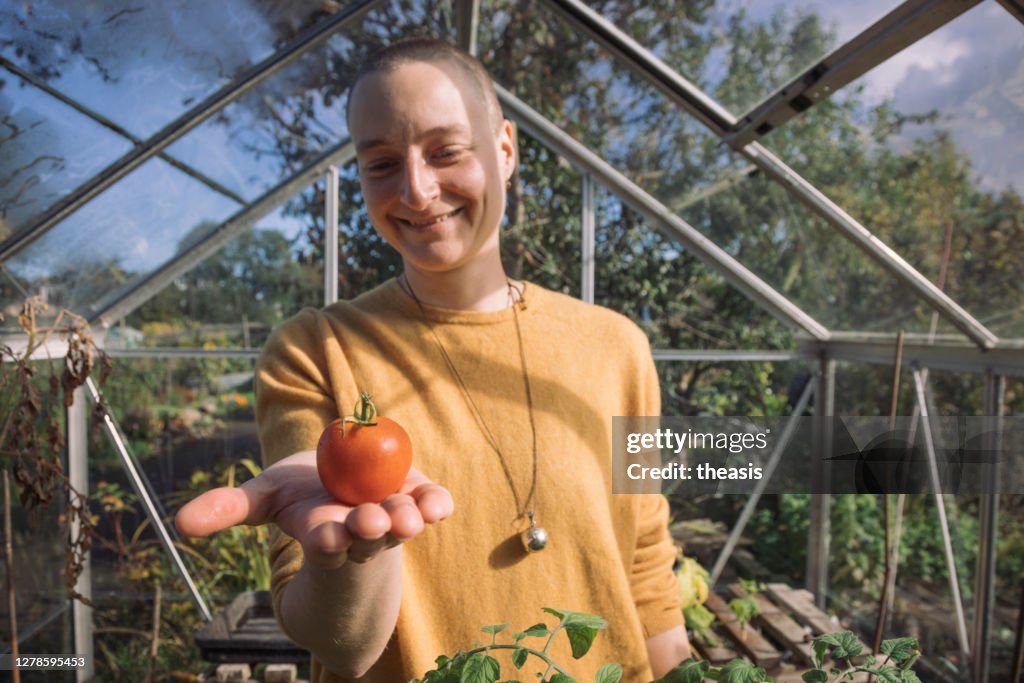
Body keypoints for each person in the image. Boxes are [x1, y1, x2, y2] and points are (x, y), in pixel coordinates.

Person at [175, 37, 691, 682]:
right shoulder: (317, 350)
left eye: (446, 152)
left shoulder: (618, 347)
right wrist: (357, 556)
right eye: (381, 164)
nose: (417, 191)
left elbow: (644, 555)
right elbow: (341, 646)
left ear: (504, 149)